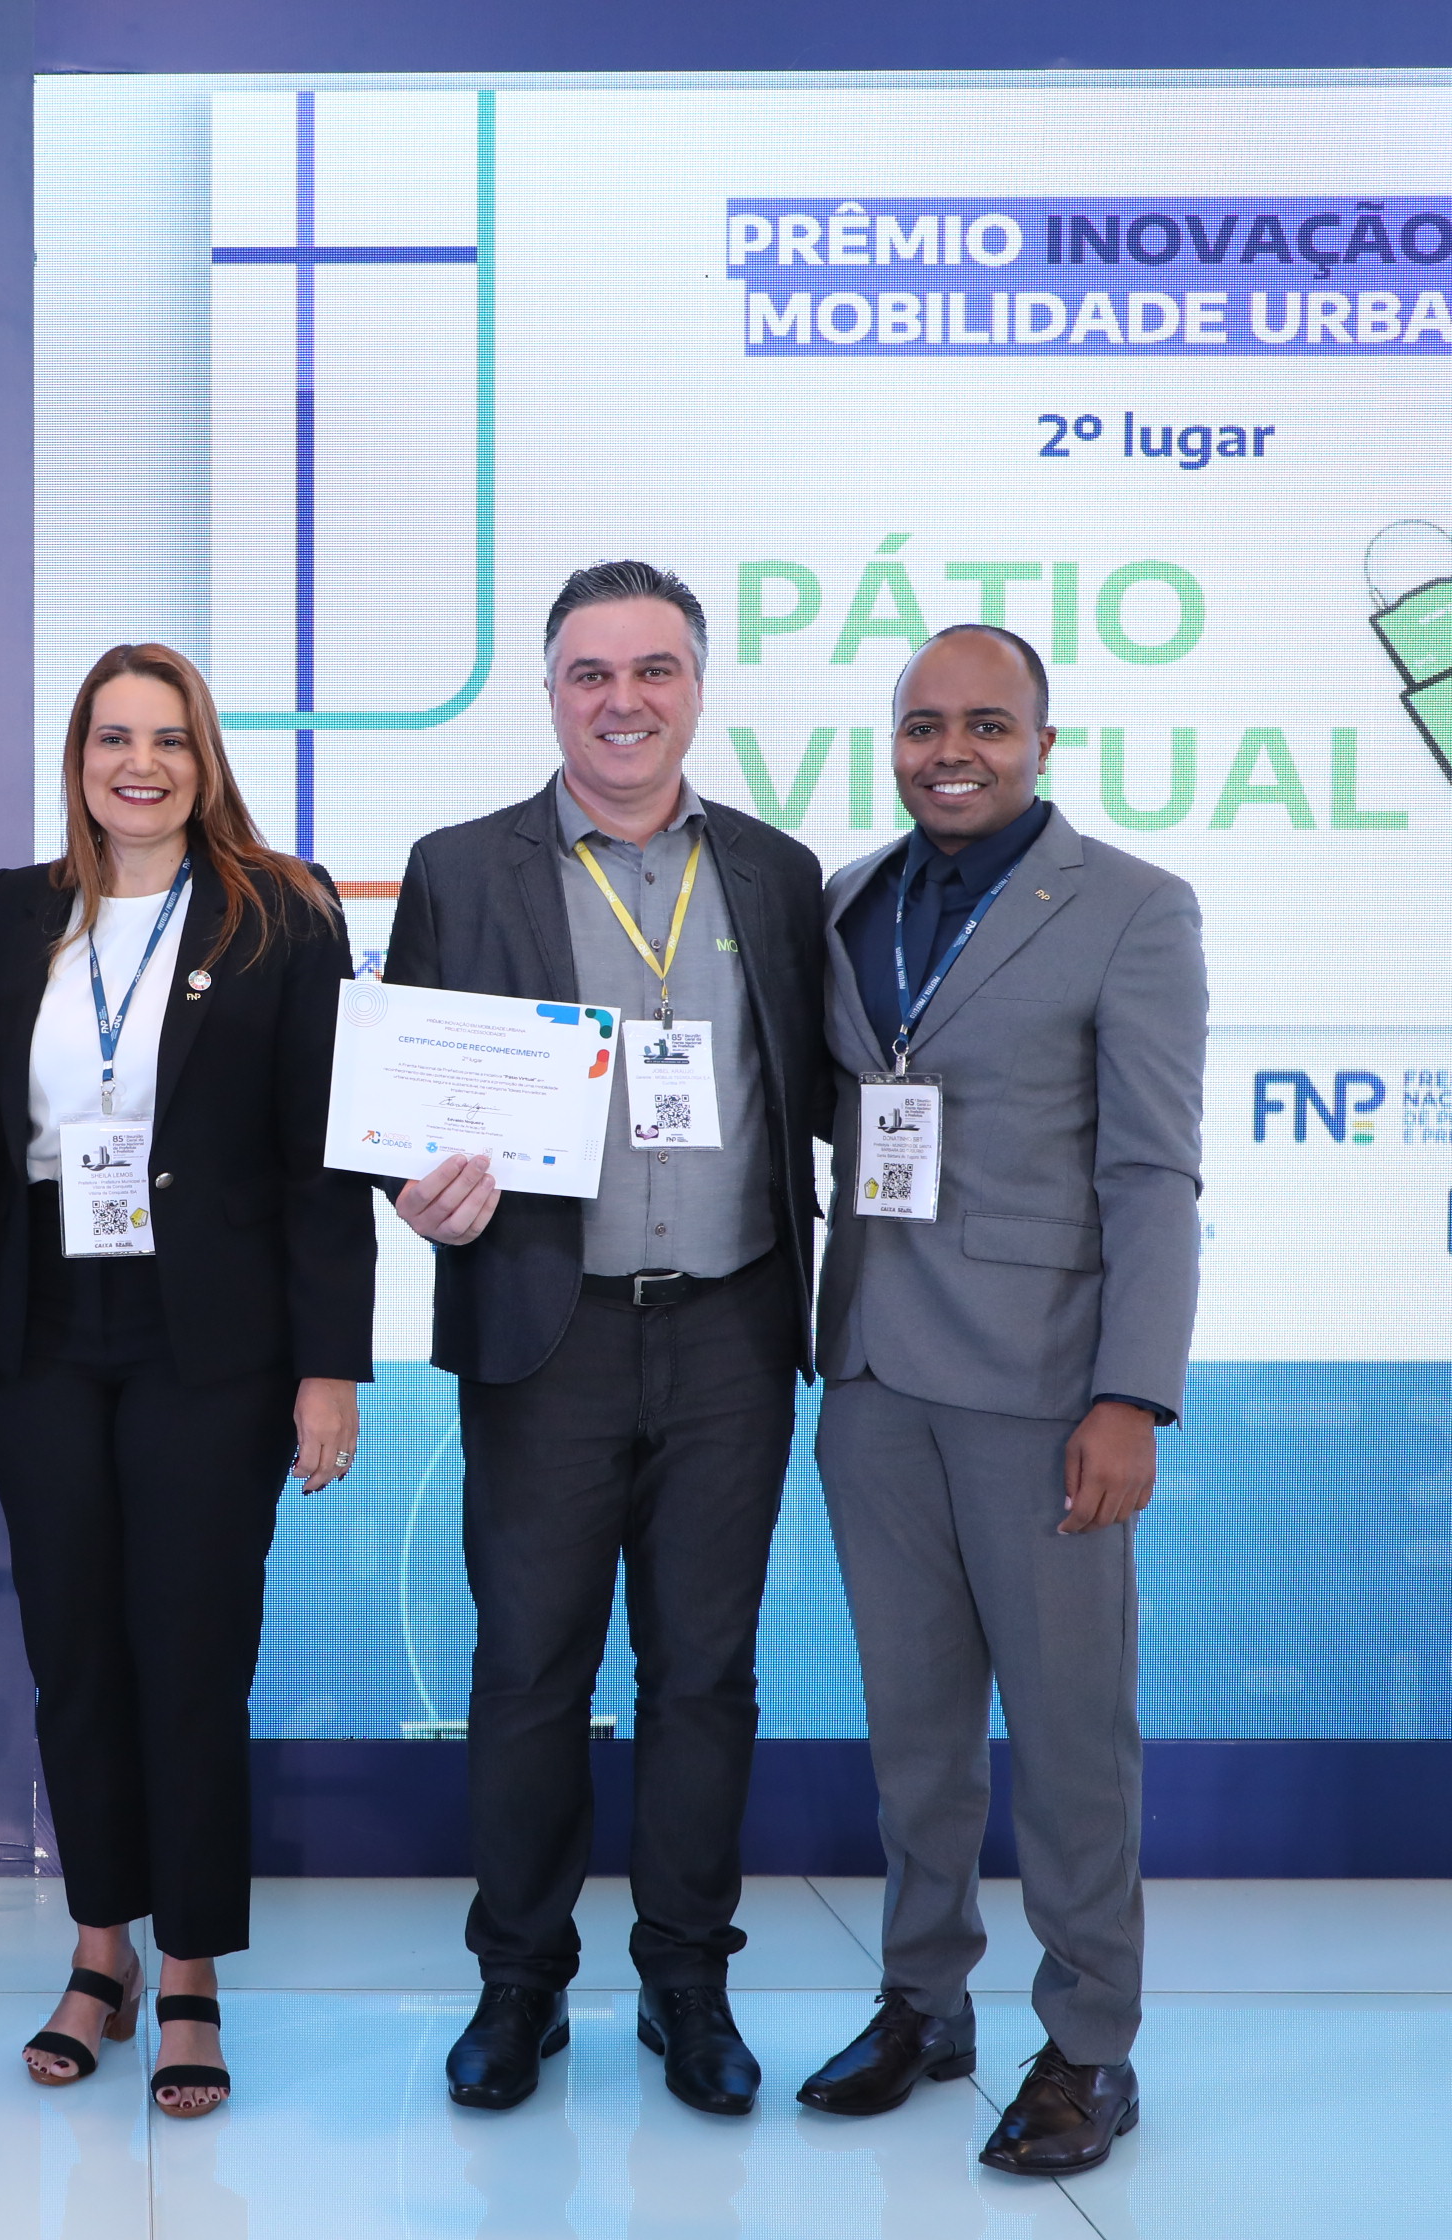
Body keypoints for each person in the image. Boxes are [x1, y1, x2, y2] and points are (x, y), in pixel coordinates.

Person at [379, 561, 828, 2116]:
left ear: (697, 688)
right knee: (527, 1670)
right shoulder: (461, 868)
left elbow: (824, 1092)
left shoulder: (776, 871)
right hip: (543, 1329)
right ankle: (520, 1982)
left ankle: (687, 1982)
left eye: (653, 671)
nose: (622, 701)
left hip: (731, 1329)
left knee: (704, 1672)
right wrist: (413, 1190)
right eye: (591, 673)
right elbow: (404, 1099)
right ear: (551, 691)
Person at [0, 643, 373, 2119]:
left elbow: (322, 1159)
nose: (141, 765)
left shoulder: (283, 912)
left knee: (190, 1652)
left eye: (169, 739)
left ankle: (190, 1970)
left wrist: (330, 1367)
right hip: (42, 1324)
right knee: (75, 1654)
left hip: (213, 1338)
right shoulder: (17, 910)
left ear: (205, 758)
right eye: (114, 738)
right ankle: (98, 1949)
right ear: (78, 759)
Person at [794, 621, 1205, 2176]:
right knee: (915, 1731)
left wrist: (1132, 1396)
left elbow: (1154, 1171)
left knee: (1070, 1736)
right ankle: (925, 2003)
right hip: (871, 1374)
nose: (950, 751)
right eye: (923, 725)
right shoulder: (847, 900)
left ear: (1044, 740)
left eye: (985, 723)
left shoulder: (1134, 908)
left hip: (1045, 1388)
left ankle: (1091, 2045)